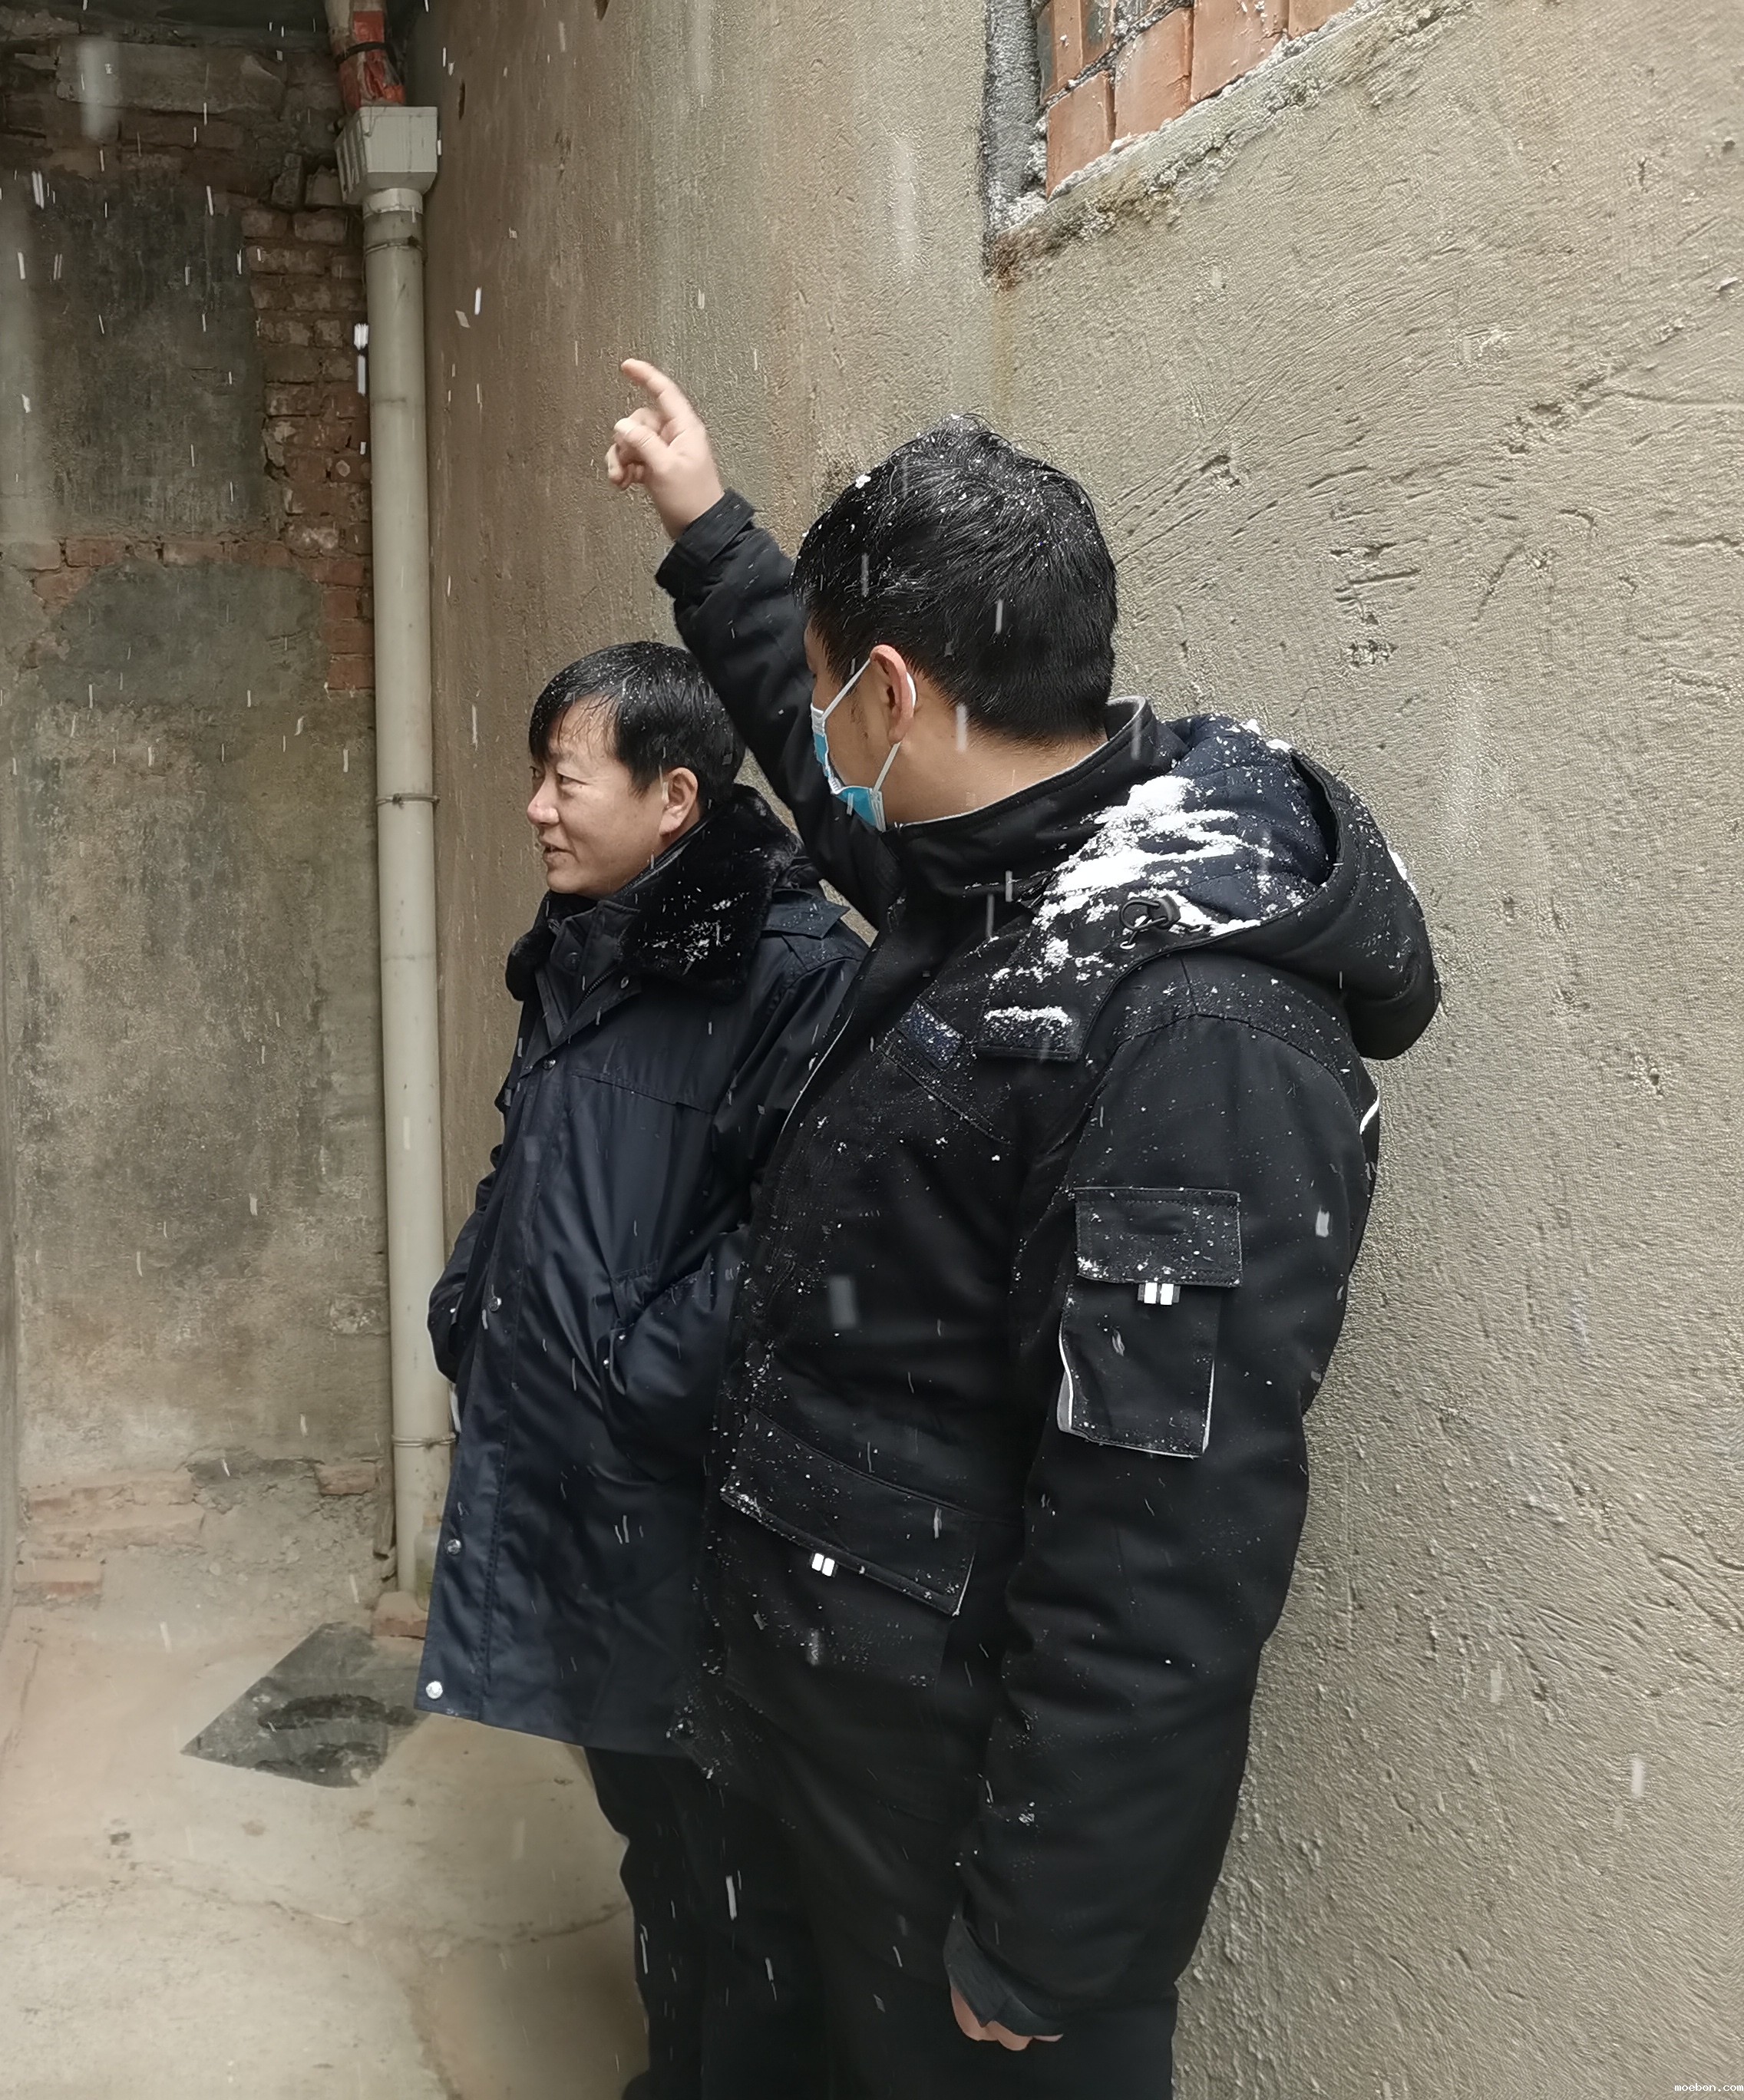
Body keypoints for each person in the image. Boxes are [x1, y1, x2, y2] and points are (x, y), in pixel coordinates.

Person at [603, 367, 1441, 2098]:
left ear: (901, 692)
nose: (820, 740)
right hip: (826, 1719)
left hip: (947, 1803)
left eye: (837, 694)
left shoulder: (1192, 1030)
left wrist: (1055, 1927)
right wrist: (708, 533)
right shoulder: (994, 867)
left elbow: (1167, 1535)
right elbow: (813, 746)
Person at [415, 642, 864, 2099]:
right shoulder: (588, 940)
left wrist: (632, 1374)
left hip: (679, 1496)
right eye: (538, 775)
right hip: (581, 1470)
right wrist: (474, 1305)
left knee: (729, 1862)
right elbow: (531, 1158)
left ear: (674, 799)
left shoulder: (790, 973)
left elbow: (793, 1236)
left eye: (565, 779)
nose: (537, 810)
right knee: (656, 1836)